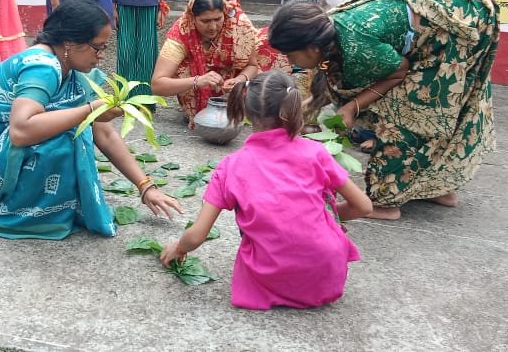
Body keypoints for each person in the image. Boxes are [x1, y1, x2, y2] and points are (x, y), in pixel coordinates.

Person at [0, 0, 182, 240]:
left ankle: (43, 204)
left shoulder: (75, 72)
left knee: (72, 125)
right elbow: (21, 130)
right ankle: (24, 214)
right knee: (65, 135)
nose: (102, 56)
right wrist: (89, 109)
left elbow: (104, 133)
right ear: (70, 43)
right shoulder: (42, 66)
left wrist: (145, 186)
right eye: (98, 47)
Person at [267, 0, 498, 220]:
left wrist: (352, 108)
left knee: (409, 109)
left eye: (291, 56)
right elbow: (328, 71)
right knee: (422, 107)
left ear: (311, 47)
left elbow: (399, 72)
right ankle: (433, 188)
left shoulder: (359, 45)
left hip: (460, 23)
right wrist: (309, 106)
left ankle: (385, 203)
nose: (291, 63)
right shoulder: (324, 35)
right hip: (448, 11)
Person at [159, 70, 372, 310]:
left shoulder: (232, 166)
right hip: (327, 277)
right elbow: (363, 206)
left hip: (271, 277)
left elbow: (197, 235)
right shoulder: (316, 153)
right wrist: (316, 215)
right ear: (292, 105)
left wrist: (177, 248)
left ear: (245, 110)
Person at [150, 0, 288, 127]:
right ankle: (199, 109)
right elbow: (157, 85)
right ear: (192, 18)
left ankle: (242, 106)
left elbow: (252, 65)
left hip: (231, 84)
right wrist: (198, 81)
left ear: (225, 13)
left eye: (218, 19)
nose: (213, 27)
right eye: (205, 21)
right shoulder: (181, 34)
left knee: (270, 43)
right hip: (196, 84)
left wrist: (239, 80)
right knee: (182, 67)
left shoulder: (239, 24)